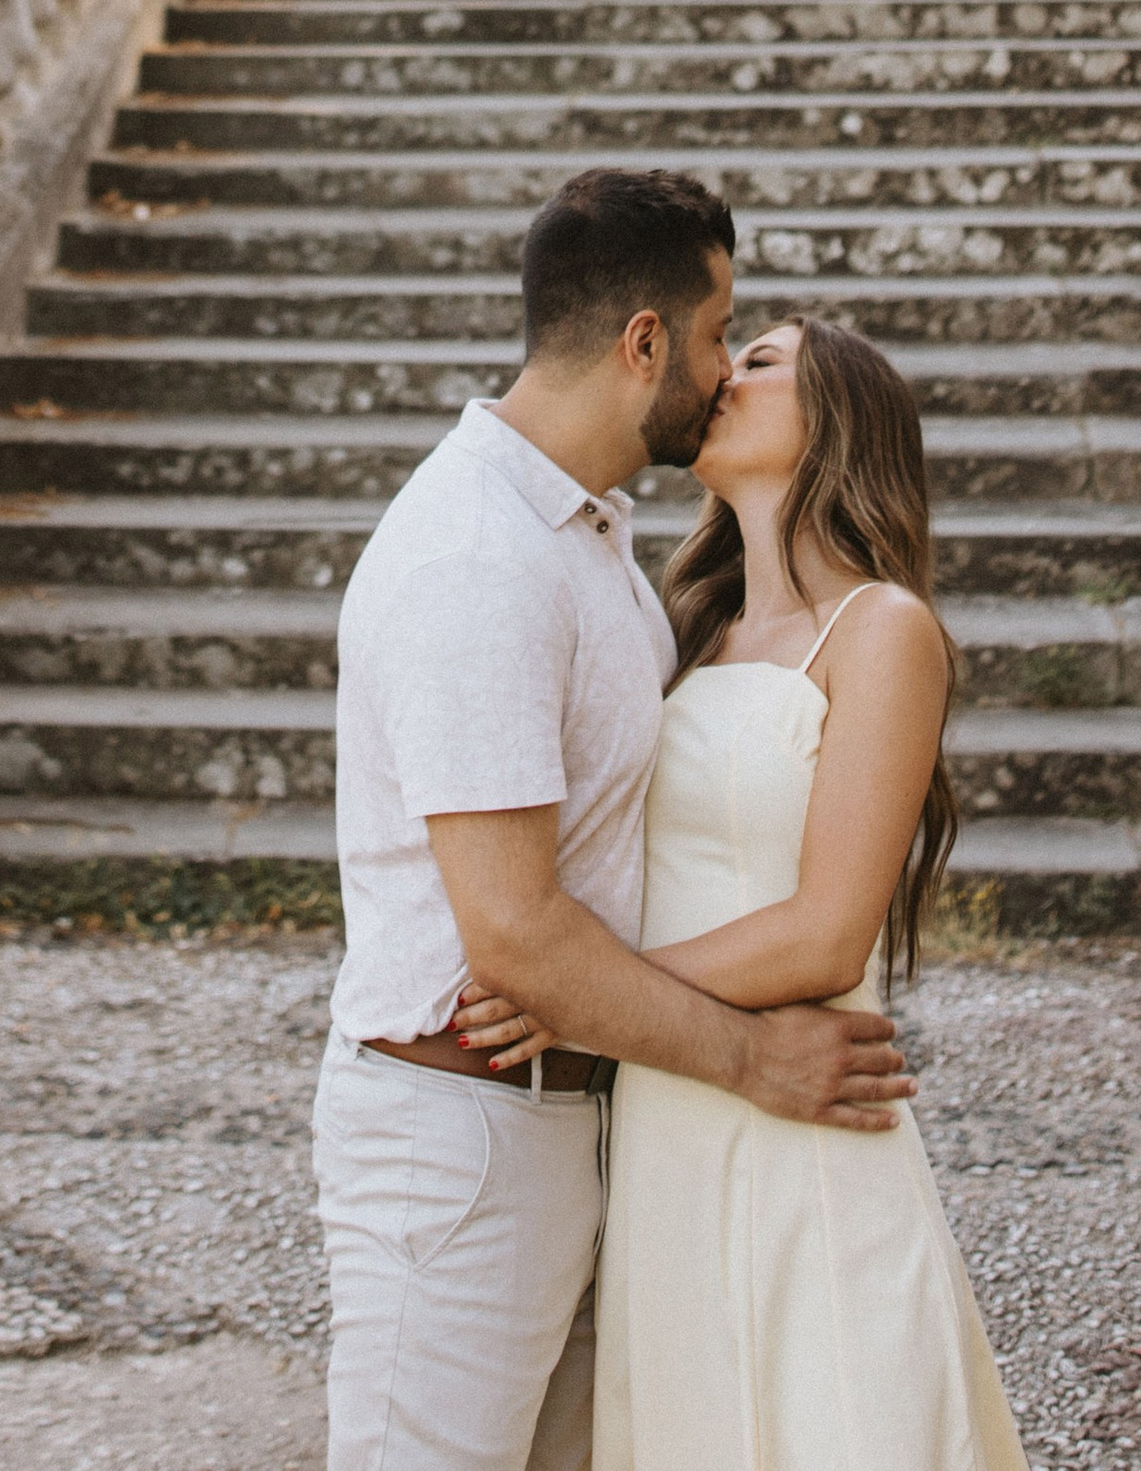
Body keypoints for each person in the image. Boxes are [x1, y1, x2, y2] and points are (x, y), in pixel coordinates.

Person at [316, 168, 917, 1471]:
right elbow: (517, 939)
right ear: (644, 342)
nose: (724, 370)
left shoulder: (594, 543)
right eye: (717, 338)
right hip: (463, 1136)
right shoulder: (475, 557)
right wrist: (754, 1060)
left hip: (597, 1120)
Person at [467, 314, 1027, 1471]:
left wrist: (578, 996)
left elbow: (827, 935)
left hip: (801, 1119)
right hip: (665, 1113)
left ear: (838, 419)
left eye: (760, 360)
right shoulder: (689, 627)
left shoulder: (882, 630)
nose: (723, 372)